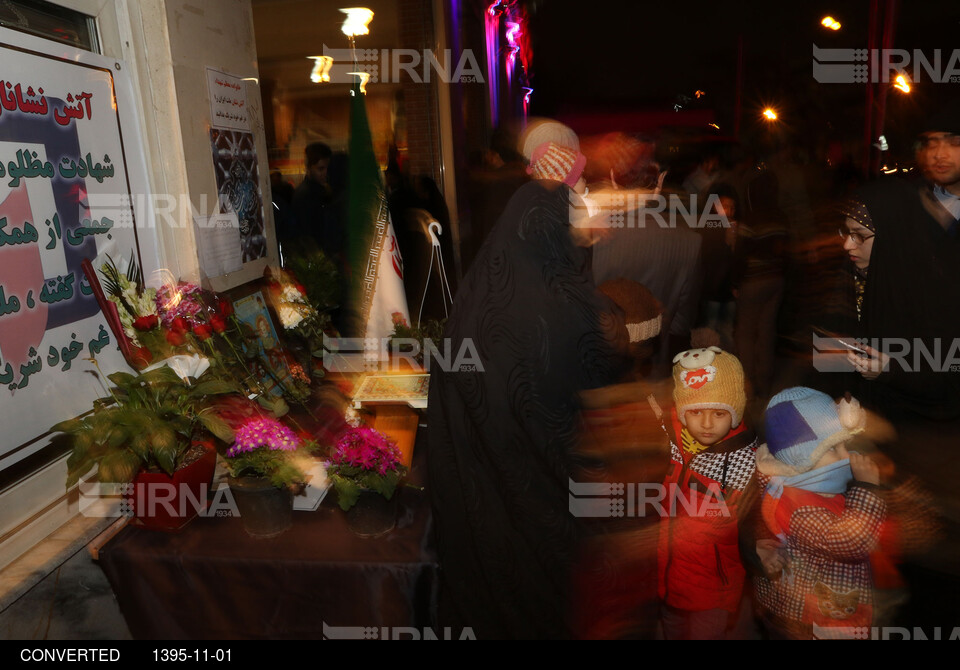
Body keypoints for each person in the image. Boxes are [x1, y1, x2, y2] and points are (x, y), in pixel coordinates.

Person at [427, 179, 629, 639]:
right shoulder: (568, 309)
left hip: (477, 493)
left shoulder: (474, 298)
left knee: (488, 592)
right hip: (544, 495)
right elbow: (597, 388)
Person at [754, 387, 885, 639]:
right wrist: (867, 488)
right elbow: (849, 542)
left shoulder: (802, 485)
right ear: (801, 458)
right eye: (834, 448)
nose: (846, 455)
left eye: (845, 444)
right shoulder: (800, 507)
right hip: (811, 622)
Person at [657, 346, 759, 639]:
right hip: (667, 573)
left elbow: (755, 522)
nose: (705, 423)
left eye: (718, 413)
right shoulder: (670, 441)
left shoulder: (744, 461)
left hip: (714, 587)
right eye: (695, 411)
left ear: (735, 412)